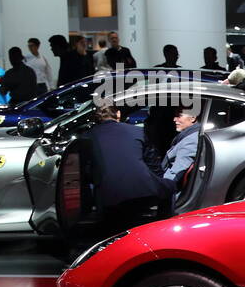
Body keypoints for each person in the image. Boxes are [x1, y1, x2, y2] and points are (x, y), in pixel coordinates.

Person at [85, 100, 165, 234]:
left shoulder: (88, 137)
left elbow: (87, 172)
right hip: (141, 194)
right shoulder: (137, 131)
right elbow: (153, 164)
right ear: (118, 114)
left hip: (107, 198)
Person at [160, 106, 201, 188]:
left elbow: (176, 172)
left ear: (192, 118)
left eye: (179, 116)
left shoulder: (191, 140)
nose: (174, 119)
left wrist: (159, 187)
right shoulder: (188, 135)